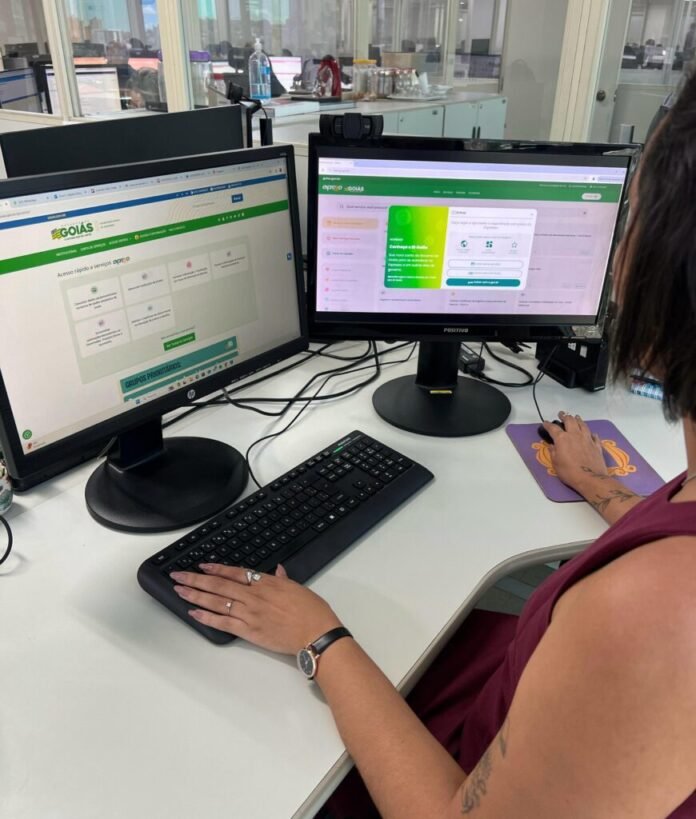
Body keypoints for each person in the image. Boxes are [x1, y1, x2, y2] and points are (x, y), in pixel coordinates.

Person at [170, 66, 696, 818]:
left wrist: (318, 637)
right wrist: (605, 488)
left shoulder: (646, 622)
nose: (613, 259)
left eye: (632, 218)